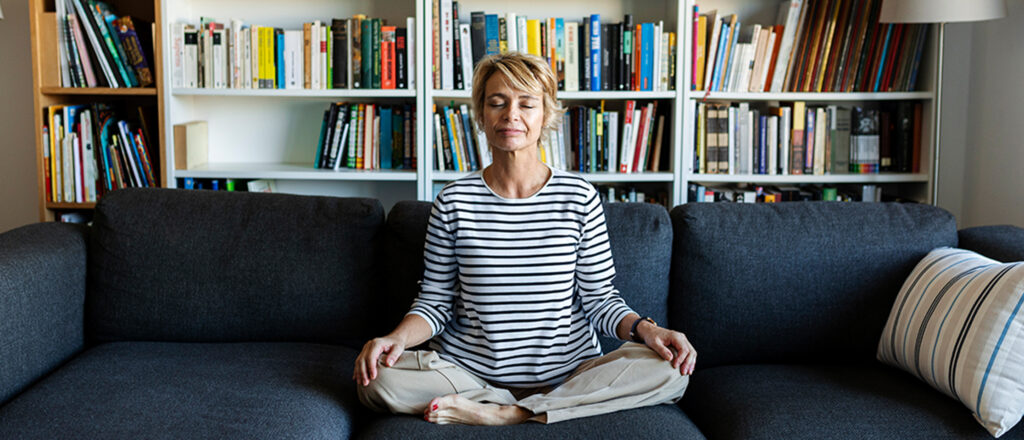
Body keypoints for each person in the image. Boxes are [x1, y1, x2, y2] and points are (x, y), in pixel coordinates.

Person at [354, 52, 695, 425]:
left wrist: (648, 329)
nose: (510, 114)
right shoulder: (453, 200)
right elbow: (435, 301)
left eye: (526, 103)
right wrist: (397, 339)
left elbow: (600, 300)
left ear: (545, 114)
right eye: (497, 102)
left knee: (671, 371)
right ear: (481, 115)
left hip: (569, 375)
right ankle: (527, 406)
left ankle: (508, 414)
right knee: (377, 381)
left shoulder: (578, 196)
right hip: (470, 375)